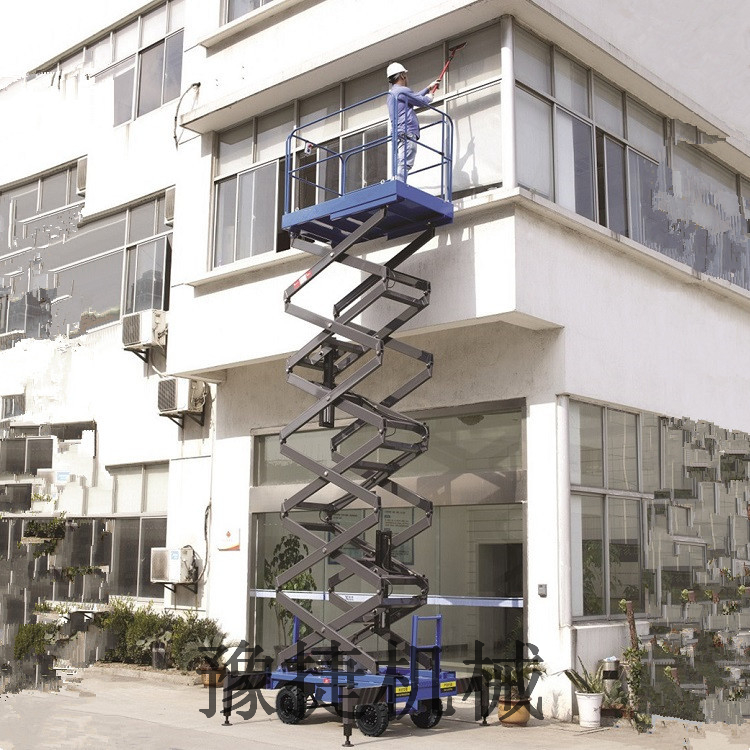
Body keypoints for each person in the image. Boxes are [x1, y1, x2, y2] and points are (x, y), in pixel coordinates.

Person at [386, 62, 440, 181]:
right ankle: (399, 184)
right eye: (405, 74)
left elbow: (413, 97)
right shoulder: (402, 91)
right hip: (407, 131)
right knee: (405, 162)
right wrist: (428, 98)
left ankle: (396, 181)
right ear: (402, 75)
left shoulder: (392, 93)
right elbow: (420, 101)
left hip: (398, 133)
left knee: (399, 162)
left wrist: (428, 88)